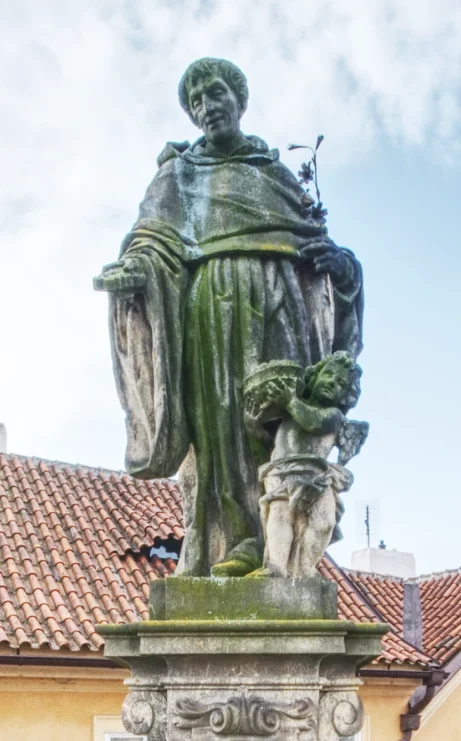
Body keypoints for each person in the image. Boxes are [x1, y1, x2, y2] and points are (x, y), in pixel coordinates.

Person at [94, 58, 364, 576]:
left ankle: (279, 537)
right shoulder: (177, 173)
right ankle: (236, 536)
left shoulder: (272, 173)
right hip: (206, 311)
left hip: (277, 301)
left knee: (273, 418)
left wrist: (343, 271)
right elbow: (152, 239)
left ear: (238, 99)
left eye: (214, 94)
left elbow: (322, 259)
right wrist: (135, 272)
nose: (205, 106)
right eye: (194, 101)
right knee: (218, 425)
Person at [243, 352, 368, 578]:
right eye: (328, 374)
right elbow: (258, 429)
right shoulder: (288, 410)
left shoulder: (333, 415)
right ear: (315, 376)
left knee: (325, 521)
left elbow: (314, 423)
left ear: (345, 396)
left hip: (318, 477)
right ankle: (277, 567)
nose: (332, 383)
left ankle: (304, 568)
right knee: (280, 515)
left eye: (340, 383)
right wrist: (257, 412)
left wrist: (290, 400)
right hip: (282, 472)